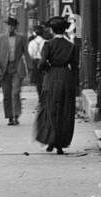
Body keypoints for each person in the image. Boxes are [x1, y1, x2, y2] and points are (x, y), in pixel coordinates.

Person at [34, 16, 81, 153]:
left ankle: (50, 140)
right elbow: (75, 67)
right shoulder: (71, 46)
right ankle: (60, 144)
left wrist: (44, 69)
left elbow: (42, 63)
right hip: (66, 78)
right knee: (64, 111)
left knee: (50, 109)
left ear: (53, 30)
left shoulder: (48, 45)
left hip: (51, 78)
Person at [0, 16, 29, 124]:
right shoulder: (0, 38)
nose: (10, 28)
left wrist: (30, 68)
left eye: (12, 26)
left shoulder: (21, 38)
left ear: (15, 27)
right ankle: (9, 116)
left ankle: (16, 115)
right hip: (4, 69)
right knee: (7, 94)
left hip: (17, 68)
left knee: (15, 92)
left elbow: (26, 53)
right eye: (8, 25)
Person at [27, 23, 51, 101]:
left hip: (36, 62)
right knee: (45, 80)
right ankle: (45, 96)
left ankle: (40, 97)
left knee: (38, 82)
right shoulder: (47, 42)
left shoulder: (32, 42)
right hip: (45, 62)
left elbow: (30, 54)